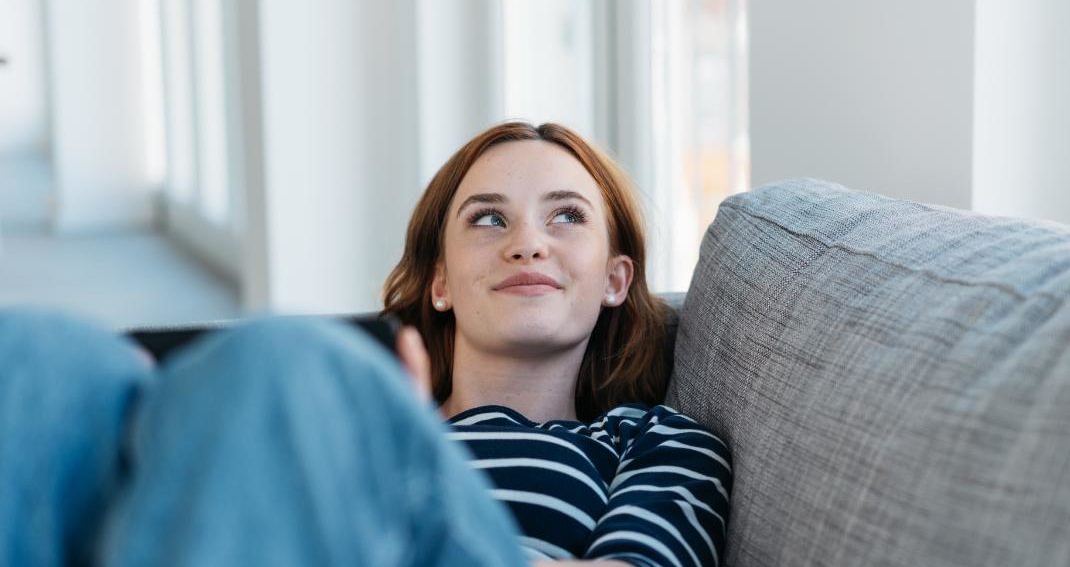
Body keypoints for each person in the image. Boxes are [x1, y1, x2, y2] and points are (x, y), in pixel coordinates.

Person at [0, 122, 731, 567]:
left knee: (289, 360)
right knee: (42, 359)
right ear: (440, 282)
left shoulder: (656, 436)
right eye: (487, 220)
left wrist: (382, 445)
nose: (527, 244)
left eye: (566, 216)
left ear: (614, 278)